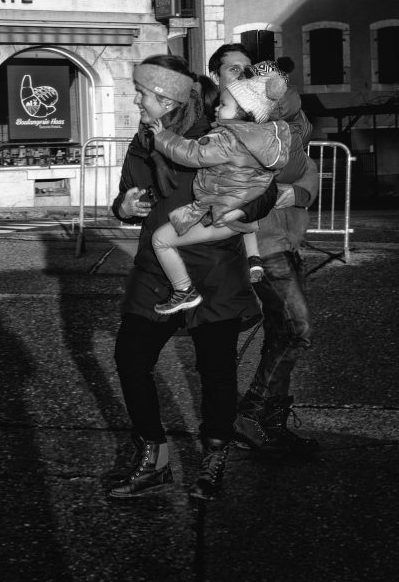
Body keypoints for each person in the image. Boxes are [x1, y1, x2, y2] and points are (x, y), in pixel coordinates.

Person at [108, 54, 277, 501]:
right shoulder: (144, 140)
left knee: (216, 370)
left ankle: (214, 456)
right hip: (157, 270)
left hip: (216, 270)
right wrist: (123, 207)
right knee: (130, 358)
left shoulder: (219, 131)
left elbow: (266, 187)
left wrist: (247, 208)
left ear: (165, 99)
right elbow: (127, 198)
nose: (136, 99)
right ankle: (155, 457)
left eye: (143, 92)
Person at [208, 44, 320, 455]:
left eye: (247, 69)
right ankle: (250, 413)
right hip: (259, 246)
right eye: (232, 70)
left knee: (281, 333)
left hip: (289, 240)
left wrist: (300, 193)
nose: (243, 76)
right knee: (297, 329)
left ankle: (270, 427)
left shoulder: (270, 114)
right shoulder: (222, 126)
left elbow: (305, 165)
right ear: (215, 78)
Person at [146, 70, 292, 316]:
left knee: (160, 240)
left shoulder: (228, 139)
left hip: (219, 213)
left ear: (244, 112)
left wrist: (162, 136)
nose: (216, 109)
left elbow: (193, 153)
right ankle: (253, 257)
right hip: (243, 213)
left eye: (223, 105)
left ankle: (184, 291)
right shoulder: (264, 140)